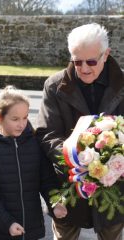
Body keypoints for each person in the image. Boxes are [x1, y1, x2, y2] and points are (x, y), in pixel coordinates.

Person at [36, 23, 124, 240]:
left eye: (91, 61)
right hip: (67, 184)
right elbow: (47, 135)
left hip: (114, 186)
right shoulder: (54, 86)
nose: (84, 68)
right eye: (77, 61)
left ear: (106, 54)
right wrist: (80, 159)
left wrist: (110, 160)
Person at [0, 86, 67, 240]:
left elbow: (47, 181)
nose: (21, 124)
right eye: (15, 119)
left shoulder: (35, 144)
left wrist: (56, 204)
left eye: (25, 117)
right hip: (1, 231)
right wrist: (8, 223)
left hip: (32, 229)